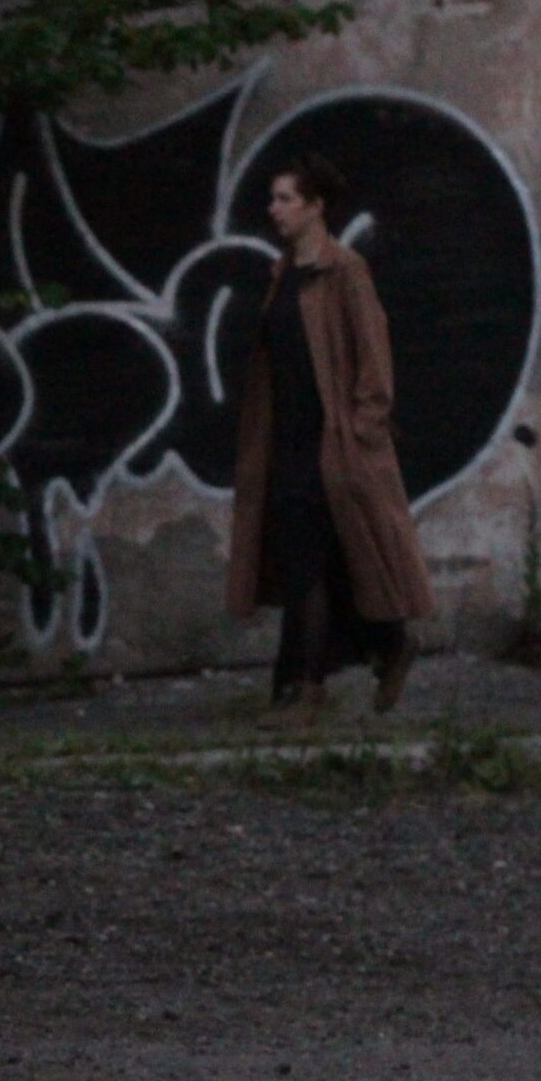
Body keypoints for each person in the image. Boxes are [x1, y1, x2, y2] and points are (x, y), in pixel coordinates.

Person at [225, 154, 432, 725]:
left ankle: (308, 692)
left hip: (333, 445)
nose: (274, 209)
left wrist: (363, 430)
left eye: (285, 199)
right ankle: (391, 644)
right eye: (273, 199)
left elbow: (374, 358)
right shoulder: (283, 274)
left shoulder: (345, 271)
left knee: (309, 566)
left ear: (316, 207)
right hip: (287, 442)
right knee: (323, 563)